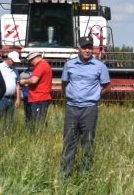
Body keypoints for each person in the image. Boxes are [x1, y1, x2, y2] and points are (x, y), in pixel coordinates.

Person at [60, 36, 110, 176]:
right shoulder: (69, 65)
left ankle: (85, 173)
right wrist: (70, 96)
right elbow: (64, 84)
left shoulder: (100, 66)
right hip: (71, 107)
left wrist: (96, 96)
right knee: (69, 140)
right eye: (84, 47)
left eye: (90, 48)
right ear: (79, 49)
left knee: (87, 142)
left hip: (89, 109)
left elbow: (107, 87)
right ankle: (65, 173)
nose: (88, 50)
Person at [19, 51, 52, 129]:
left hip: (39, 97)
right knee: (39, 120)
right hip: (40, 97)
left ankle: (38, 138)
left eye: (31, 60)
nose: (31, 63)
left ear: (35, 58)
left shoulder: (40, 65)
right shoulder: (44, 64)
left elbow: (34, 80)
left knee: (38, 122)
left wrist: (24, 81)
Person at [0, 50, 22, 133]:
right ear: (8, 59)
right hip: (1, 98)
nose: (14, 63)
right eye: (13, 61)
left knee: (10, 119)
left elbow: (17, 85)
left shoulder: (15, 70)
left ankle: (8, 135)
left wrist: (18, 98)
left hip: (11, 99)